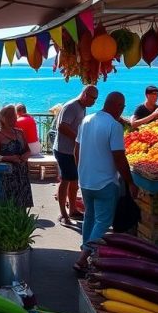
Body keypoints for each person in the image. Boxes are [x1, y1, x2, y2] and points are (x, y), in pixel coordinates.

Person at [73, 91, 138, 272]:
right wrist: (130, 182)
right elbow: (119, 157)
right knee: (102, 221)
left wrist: (81, 170)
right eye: (123, 107)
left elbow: (76, 150)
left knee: (90, 217)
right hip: (105, 182)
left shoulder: (86, 120)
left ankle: (85, 250)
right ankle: (83, 258)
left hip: (86, 180)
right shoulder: (114, 126)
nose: (122, 110)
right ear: (117, 106)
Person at [53, 85, 98, 226]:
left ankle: (72, 209)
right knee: (66, 180)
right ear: (84, 94)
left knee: (74, 180)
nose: (94, 102)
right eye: (92, 98)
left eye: (95, 99)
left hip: (72, 150)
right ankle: (63, 214)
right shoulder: (72, 106)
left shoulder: (82, 107)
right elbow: (62, 126)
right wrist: (79, 138)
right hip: (63, 150)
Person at [0, 106, 33, 208]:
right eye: (9, 117)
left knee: (22, 205)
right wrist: (9, 158)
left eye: (14, 116)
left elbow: (28, 150)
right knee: (9, 204)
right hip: (7, 176)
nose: (13, 119)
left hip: (22, 174)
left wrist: (26, 155)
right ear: (2, 118)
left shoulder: (20, 132)